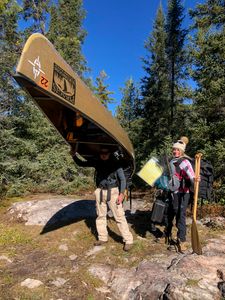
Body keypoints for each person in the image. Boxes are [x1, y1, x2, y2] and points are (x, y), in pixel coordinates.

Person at [70, 147, 133, 251]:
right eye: (102, 153)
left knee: (119, 217)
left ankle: (128, 240)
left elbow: (122, 179)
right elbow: (81, 164)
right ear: (99, 154)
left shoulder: (116, 163)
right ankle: (103, 238)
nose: (104, 155)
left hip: (113, 192)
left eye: (106, 153)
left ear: (109, 153)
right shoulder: (97, 162)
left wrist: (121, 194)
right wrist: (73, 155)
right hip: (100, 191)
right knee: (100, 216)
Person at [166, 136, 197, 253]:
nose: (175, 151)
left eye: (178, 150)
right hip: (173, 192)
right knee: (172, 212)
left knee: (181, 214)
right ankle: (168, 234)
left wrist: (196, 179)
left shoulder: (185, 162)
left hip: (184, 192)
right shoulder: (170, 161)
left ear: (182, 151)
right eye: (174, 149)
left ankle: (182, 240)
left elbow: (192, 176)